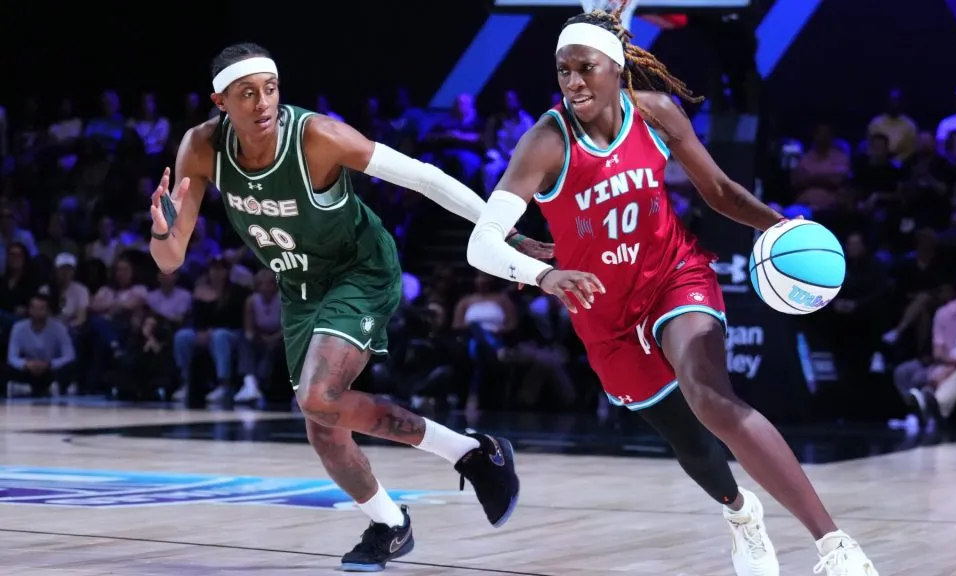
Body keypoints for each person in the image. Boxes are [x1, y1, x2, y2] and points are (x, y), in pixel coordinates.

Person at [465, 4, 879, 575]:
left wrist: (780, 227)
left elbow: (720, 190)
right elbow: (482, 243)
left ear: (614, 68)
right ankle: (741, 515)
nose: (573, 82)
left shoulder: (656, 113)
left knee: (711, 395)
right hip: (605, 317)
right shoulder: (546, 141)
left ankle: (836, 549)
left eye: (584, 68)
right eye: (563, 70)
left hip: (673, 276)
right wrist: (545, 272)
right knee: (693, 446)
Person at [148, 42, 553, 572]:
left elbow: (424, 177)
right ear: (220, 101)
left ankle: (471, 451)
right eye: (247, 94)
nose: (263, 102)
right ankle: (390, 523)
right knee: (324, 427)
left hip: (359, 269)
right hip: (298, 285)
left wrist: (506, 235)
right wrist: (159, 229)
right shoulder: (201, 148)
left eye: (270, 88)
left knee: (318, 396)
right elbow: (171, 259)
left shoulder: (317, 136)